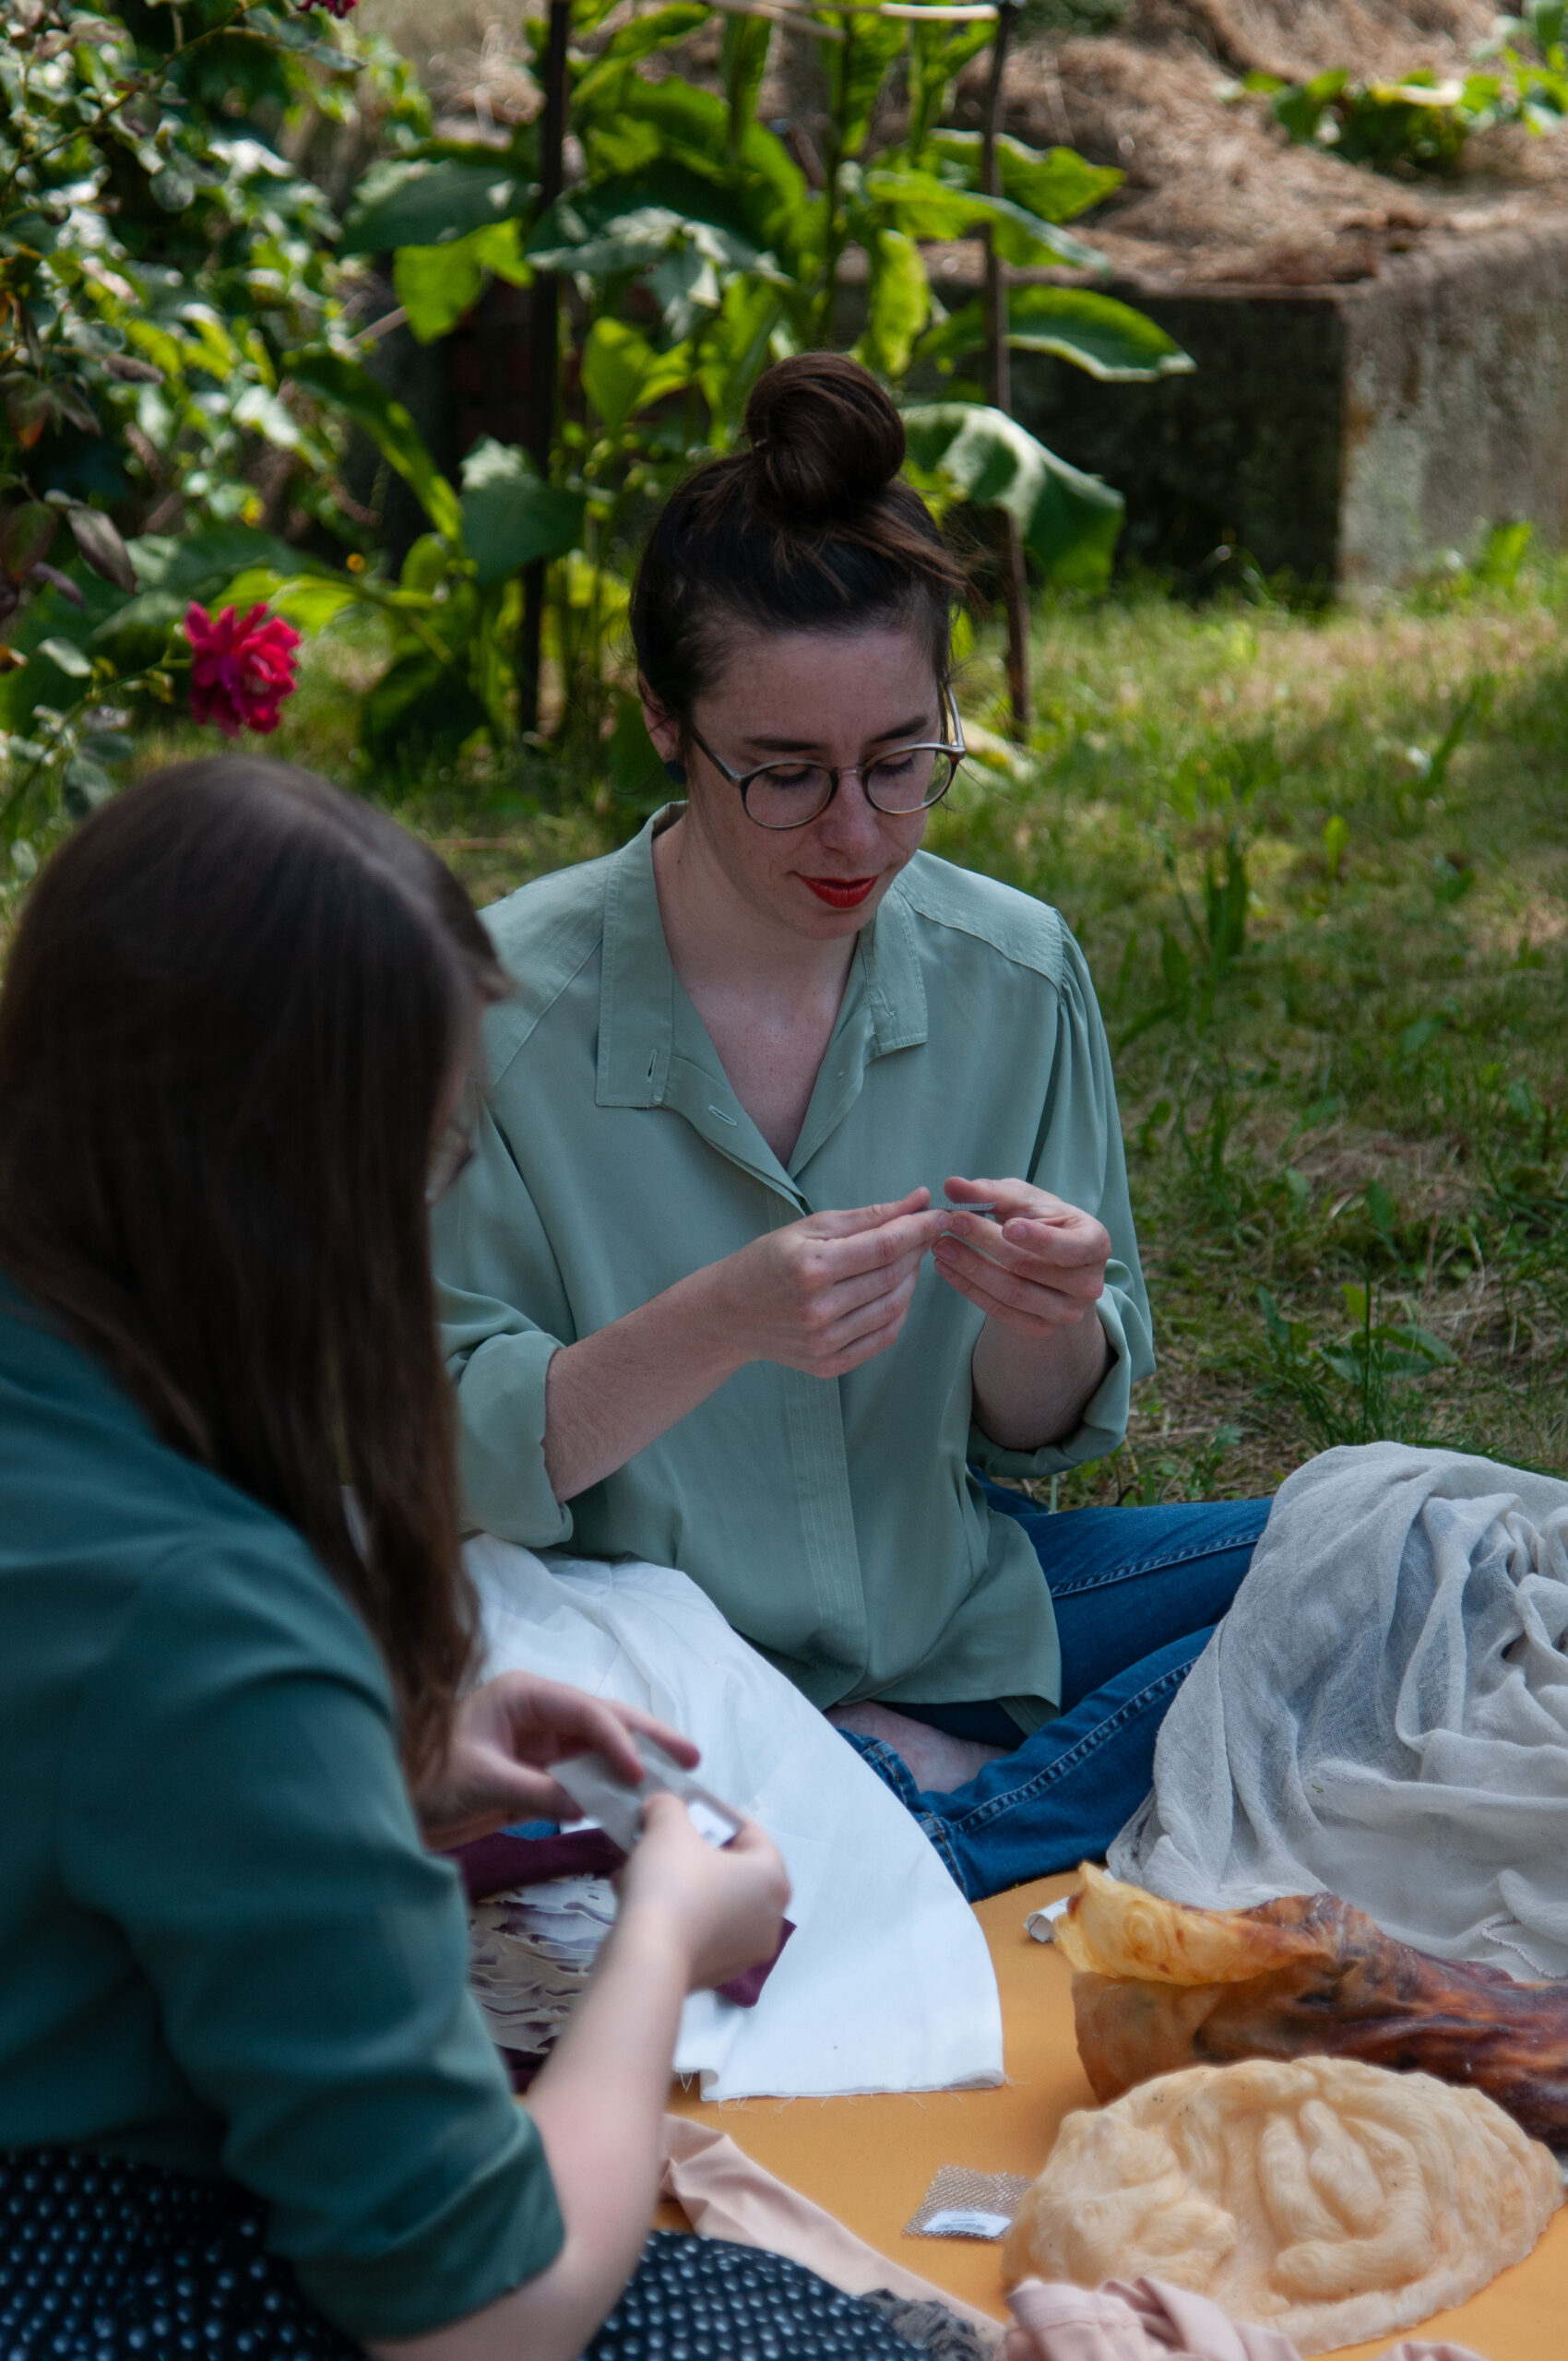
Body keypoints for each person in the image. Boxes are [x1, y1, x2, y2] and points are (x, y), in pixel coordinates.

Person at [0, 756, 955, 2361]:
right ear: (296, 1191)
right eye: (428, 1170)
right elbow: (482, 2316)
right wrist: (658, 1945)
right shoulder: (217, 1618)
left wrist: (369, 1762)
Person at [433, 352, 1270, 1906]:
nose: (858, 832)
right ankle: (966, 1816)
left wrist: (1056, 1317)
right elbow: (445, 1459)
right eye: (787, 775)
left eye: (904, 761)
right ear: (665, 729)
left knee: (1418, 1558)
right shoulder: (495, 1016)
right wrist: (718, 1322)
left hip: (956, 1620)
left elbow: (1042, 1430)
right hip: (649, 1696)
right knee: (1315, 1680)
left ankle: (916, 1817)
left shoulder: (1014, 971)